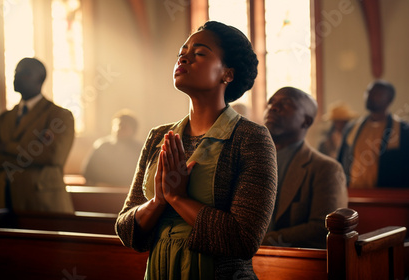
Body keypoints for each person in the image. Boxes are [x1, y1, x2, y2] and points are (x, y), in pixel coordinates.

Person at [115, 21, 277, 279]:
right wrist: (158, 201)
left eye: (199, 53)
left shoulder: (252, 138)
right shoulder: (158, 136)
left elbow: (243, 240)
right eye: (182, 53)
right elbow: (125, 230)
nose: (184, 58)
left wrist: (178, 198)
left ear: (228, 74)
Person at [0, 57, 75, 213]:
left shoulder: (59, 116)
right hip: (5, 200)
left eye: (24, 73)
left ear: (40, 79)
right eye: (15, 72)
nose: (16, 77)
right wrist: (28, 156)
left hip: (42, 203)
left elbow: (53, 156)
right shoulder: (3, 119)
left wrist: (7, 147)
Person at [261, 87, 348, 249]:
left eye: (285, 103)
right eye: (271, 102)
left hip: (293, 265)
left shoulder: (326, 168)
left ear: (306, 121)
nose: (273, 107)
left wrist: (263, 242)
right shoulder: (252, 160)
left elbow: (324, 229)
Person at [337, 80, 409, 188]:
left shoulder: (405, 131)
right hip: (353, 193)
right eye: (368, 92)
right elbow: (340, 161)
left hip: (388, 196)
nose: (369, 96)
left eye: (377, 93)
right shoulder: (352, 128)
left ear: (389, 99)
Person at [82, 109, 142, 186]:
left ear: (133, 130)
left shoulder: (140, 149)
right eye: (117, 125)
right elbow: (88, 172)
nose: (118, 129)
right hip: (101, 190)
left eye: (123, 126)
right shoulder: (102, 146)